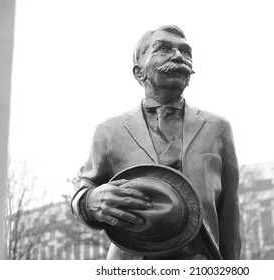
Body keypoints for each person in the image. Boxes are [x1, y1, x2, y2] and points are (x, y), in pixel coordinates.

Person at [71, 25, 241, 260]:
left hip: (200, 260)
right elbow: (85, 190)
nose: (179, 56)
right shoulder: (108, 132)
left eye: (186, 51)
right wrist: (88, 202)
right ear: (139, 72)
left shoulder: (218, 128)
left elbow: (229, 212)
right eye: (164, 48)